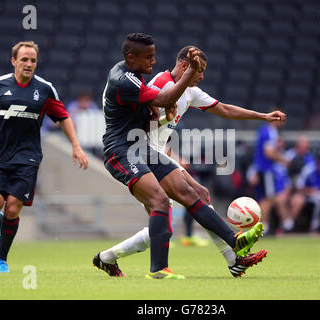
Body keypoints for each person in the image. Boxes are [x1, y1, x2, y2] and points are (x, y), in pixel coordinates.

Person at [94, 44, 286, 278]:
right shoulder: (161, 82)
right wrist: (168, 125)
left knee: (183, 210)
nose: (202, 75)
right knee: (180, 204)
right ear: (185, 66)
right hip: (140, 152)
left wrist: (262, 116)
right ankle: (228, 254)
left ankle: (107, 258)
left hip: (155, 153)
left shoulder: (191, 92)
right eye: (199, 70)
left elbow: (224, 109)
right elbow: (143, 118)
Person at [0, 41, 89, 273]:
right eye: (24, 59)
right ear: (14, 61)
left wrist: (76, 146)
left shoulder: (45, 89)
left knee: (13, 208)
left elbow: (64, 117)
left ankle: (1, 260)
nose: (29, 64)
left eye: (33, 60)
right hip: (0, 158)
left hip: (28, 159)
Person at [250, 120, 289, 234]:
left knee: (264, 198)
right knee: (268, 198)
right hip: (267, 170)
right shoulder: (270, 132)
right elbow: (269, 152)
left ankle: (262, 226)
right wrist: (283, 159)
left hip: (261, 169)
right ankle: (264, 227)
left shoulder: (263, 130)